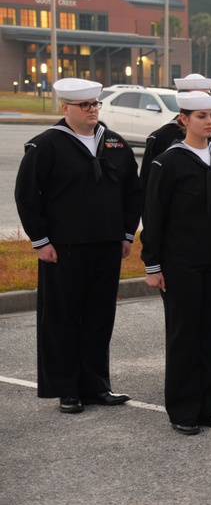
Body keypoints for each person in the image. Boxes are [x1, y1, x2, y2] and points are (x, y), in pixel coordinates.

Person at [14, 78, 142, 414]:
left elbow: (133, 191)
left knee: (100, 316)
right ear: (65, 107)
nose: (92, 111)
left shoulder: (114, 143)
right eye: (85, 106)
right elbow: (28, 196)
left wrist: (127, 234)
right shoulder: (46, 146)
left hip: (106, 246)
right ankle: (66, 388)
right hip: (64, 248)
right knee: (63, 319)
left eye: (95, 105)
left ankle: (96, 385)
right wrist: (40, 241)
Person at [141, 92, 211, 435]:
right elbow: (154, 216)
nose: (209, 121)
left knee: (210, 334)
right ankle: (183, 409)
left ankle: (210, 407)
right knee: (185, 334)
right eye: (201, 116)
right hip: (181, 261)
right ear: (183, 119)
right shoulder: (168, 162)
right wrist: (152, 265)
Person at [139, 74, 211, 192]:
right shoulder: (161, 138)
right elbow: (148, 187)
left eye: (207, 95)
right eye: (197, 96)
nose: (204, 100)